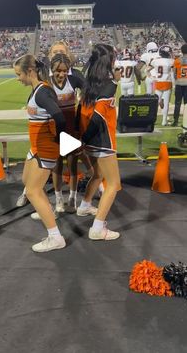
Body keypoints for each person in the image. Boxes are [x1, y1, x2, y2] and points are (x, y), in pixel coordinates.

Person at [14, 54, 66, 252]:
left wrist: (59, 142)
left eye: (19, 74)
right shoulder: (37, 89)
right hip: (36, 147)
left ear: (30, 71)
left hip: (45, 148)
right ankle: (47, 211)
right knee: (28, 183)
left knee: (34, 191)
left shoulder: (43, 92)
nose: (18, 78)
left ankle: (55, 237)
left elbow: (60, 118)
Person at [31, 52, 85, 220]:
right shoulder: (46, 86)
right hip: (55, 132)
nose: (61, 74)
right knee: (57, 168)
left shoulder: (74, 80)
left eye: (64, 71)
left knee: (73, 167)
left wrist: (82, 99)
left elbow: (87, 90)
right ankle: (59, 201)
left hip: (71, 131)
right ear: (51, 70)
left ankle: (73, 199)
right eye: (57, 71)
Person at [77, 43, 121, 241]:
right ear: (109, 61)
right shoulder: (109, 85)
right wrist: (83, 140)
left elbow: (81, 112)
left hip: (90, 140)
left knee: (97, 175)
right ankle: (97, 228)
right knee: (113, 184)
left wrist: (82, 139)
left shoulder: (88, 83)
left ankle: (85, 205)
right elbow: (98, 118)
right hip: (102, 141)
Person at [148, 45, 174, 126]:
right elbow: (173, 72)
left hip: (158, 83)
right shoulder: (171, 61)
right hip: (167, 83)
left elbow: (147, 69)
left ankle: (153, 120)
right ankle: (164, 121)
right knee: (166, 103)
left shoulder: (156, 61)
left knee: (156, 103)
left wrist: (152, 77)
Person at [172, 43, 187, 127]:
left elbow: (174, 73)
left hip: (179, 83)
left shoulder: (177, 60)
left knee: (177, 103)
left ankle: (176, 121)